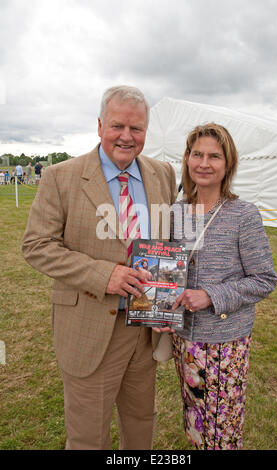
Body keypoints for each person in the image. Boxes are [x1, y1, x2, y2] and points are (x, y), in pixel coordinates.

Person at [22, 85, 177, 450]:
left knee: (140, 423)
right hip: (89, 327)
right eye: (117, 126)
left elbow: (168, 245)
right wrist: (103, 274)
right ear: (99, 126)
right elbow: (36, 246)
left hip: (145, 328)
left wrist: (167, 297)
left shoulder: (163, 174)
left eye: (136, 129)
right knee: (89, 435)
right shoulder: (62, 176)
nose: (127, 136)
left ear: (146, 131)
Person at [154, 123, 277, 450]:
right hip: (185, 341)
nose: (204, 163)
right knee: (195, 419)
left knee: (221, 429)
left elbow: (264, 280)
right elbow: (167, 267)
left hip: (225, 344)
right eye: (197, 154)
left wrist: (211, 296)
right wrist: (162, 309)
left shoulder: (243, 215)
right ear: (187, 159)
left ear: (228, 164)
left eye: (214, 156)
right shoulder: (177, 212)